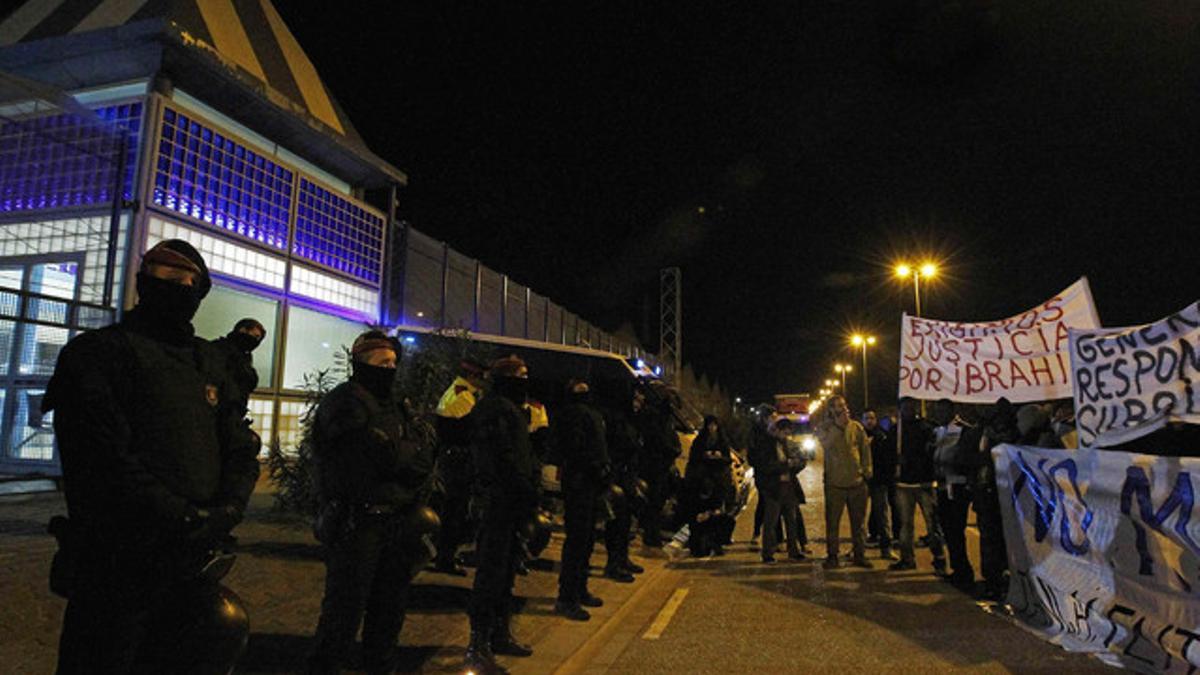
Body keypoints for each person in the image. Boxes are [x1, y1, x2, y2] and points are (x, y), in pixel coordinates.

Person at [44, 240, 261, 674]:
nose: (169, 286)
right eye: (157, 275)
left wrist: (229, 508)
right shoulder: (97, 354)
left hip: (189, 563)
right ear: (142, 281)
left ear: (199, 292)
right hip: (115, 562)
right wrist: (180, 515)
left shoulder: (210, 361)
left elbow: (239, 445)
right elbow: (101, 456)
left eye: (182, 280)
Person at [307, 331, 436, 675]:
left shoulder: (395, 406)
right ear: (360, 363)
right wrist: (400, 455)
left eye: (394, 362)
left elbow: (422, 458)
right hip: (357, 525)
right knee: (343, 614)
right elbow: (367, 459)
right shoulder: (344, 402)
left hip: (395, 524)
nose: (390, 368)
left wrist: (398, 455)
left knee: (389, 611)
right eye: (382, 362)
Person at [463, 355, 539, 674]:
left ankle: (499, 633)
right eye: (519, 376)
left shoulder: (510, 409)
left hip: (512, 503)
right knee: (491, 573)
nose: (525, 381)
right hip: (497, 502)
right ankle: (478, 643)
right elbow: (501, 459)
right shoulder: (494, 409)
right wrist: (520, 487)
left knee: (506, 571)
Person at [556, 379, 615, 620]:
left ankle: (579, 589)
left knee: (587, 539)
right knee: (577, 540)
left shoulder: (591, 413)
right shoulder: (572, 414)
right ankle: (567, 597)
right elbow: (576, 449)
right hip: (579, 483)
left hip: (590, 484)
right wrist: (594, 467)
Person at [432, 358, 487, 576]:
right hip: (458, 461)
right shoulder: (464, 397)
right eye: (482, 377)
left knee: (451, 509)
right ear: (473, 377)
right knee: (455, 510)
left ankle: (443, 554)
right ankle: (446, 558)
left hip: (450, 458)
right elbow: (468, 432)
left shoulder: (456, 391)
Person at [889, 397, 946, 573]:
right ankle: (907, 559)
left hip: (925, 483)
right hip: (904, 484)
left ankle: (939, 558)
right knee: (906, 525)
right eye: (905, 407)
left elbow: (936, 450)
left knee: (932, 524)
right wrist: (895, 461)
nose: (908, 410)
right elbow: (887, 453)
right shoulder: (895, 431)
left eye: (911, 406)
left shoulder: (928, 427)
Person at [814, 395, 873, 569]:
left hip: (857, 484)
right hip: (835, 485)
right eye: (838, 406)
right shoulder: (825, 428)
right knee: (833, 523)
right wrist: (838, 426)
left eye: (844, 405)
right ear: (831, 409)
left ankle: (859, 555)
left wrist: (866, 471)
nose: (842, 409)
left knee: (859, 523)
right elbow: (826, 445)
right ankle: (833, 556)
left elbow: (864, 450)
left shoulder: (856, 427)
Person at [975, 397, 1019, 601]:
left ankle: (1000, 580)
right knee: (992, 538)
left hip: (1003, 493)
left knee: (999, 539)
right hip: (991, 493)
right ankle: (994, 580)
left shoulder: (1013, 436)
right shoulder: (986, 433)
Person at [931, 398, 976, 586]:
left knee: (956, 530)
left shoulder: (964, 429)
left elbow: (965, 459)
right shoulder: (937, 430)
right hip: (942, 486)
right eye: (937, 411)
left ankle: (964, 573)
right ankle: (958, 569)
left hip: (956, 487)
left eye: (942, 411)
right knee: (949, 532)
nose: (939, 414)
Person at [603, 387, 646, 578]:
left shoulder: (632, 420)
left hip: (628, 476)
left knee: (626, 522)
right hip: (618, 476)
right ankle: (613, 563)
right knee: (616, 523)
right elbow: (620, 446)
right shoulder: (617, 420)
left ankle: (622, 558)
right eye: (636, 399)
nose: (639, 402)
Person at [749, 418, 804, 563]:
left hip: (788, 487)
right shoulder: (766, 445)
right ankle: (767, 553)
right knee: (771, 522)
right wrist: (787, 464)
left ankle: (793, 550)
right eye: (784, 433)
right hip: (774, 488)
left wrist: (796, 464)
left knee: (791, 521)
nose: (786, 436)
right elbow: (767, 466)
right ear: (778, 430)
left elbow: (794, 462)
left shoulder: (785, 444)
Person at [637, 386, 682, 547]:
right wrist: (673, 450)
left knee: (658, 501)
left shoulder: (664, 417)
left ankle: (653, 533)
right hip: (654, 465)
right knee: (653, 502)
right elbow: (658, 440)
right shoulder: (655, 416)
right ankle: (651, 536)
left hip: (662, 465)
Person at [209, 317, 265, 412]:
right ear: (242, 330)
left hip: (234, 411)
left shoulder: (245, 358)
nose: (255, 341)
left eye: (258, 338)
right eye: (254, 336)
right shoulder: (218, 349)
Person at [863, 409, 897, 561]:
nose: (869, 421)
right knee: (858, 517)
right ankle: (859, 549)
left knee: (882, 515)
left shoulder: (882, 435)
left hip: (878, 481)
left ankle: (886, 548)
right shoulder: (858, 435)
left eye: (872, 418)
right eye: (866, 418)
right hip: (861, 481)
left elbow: (888, 458)